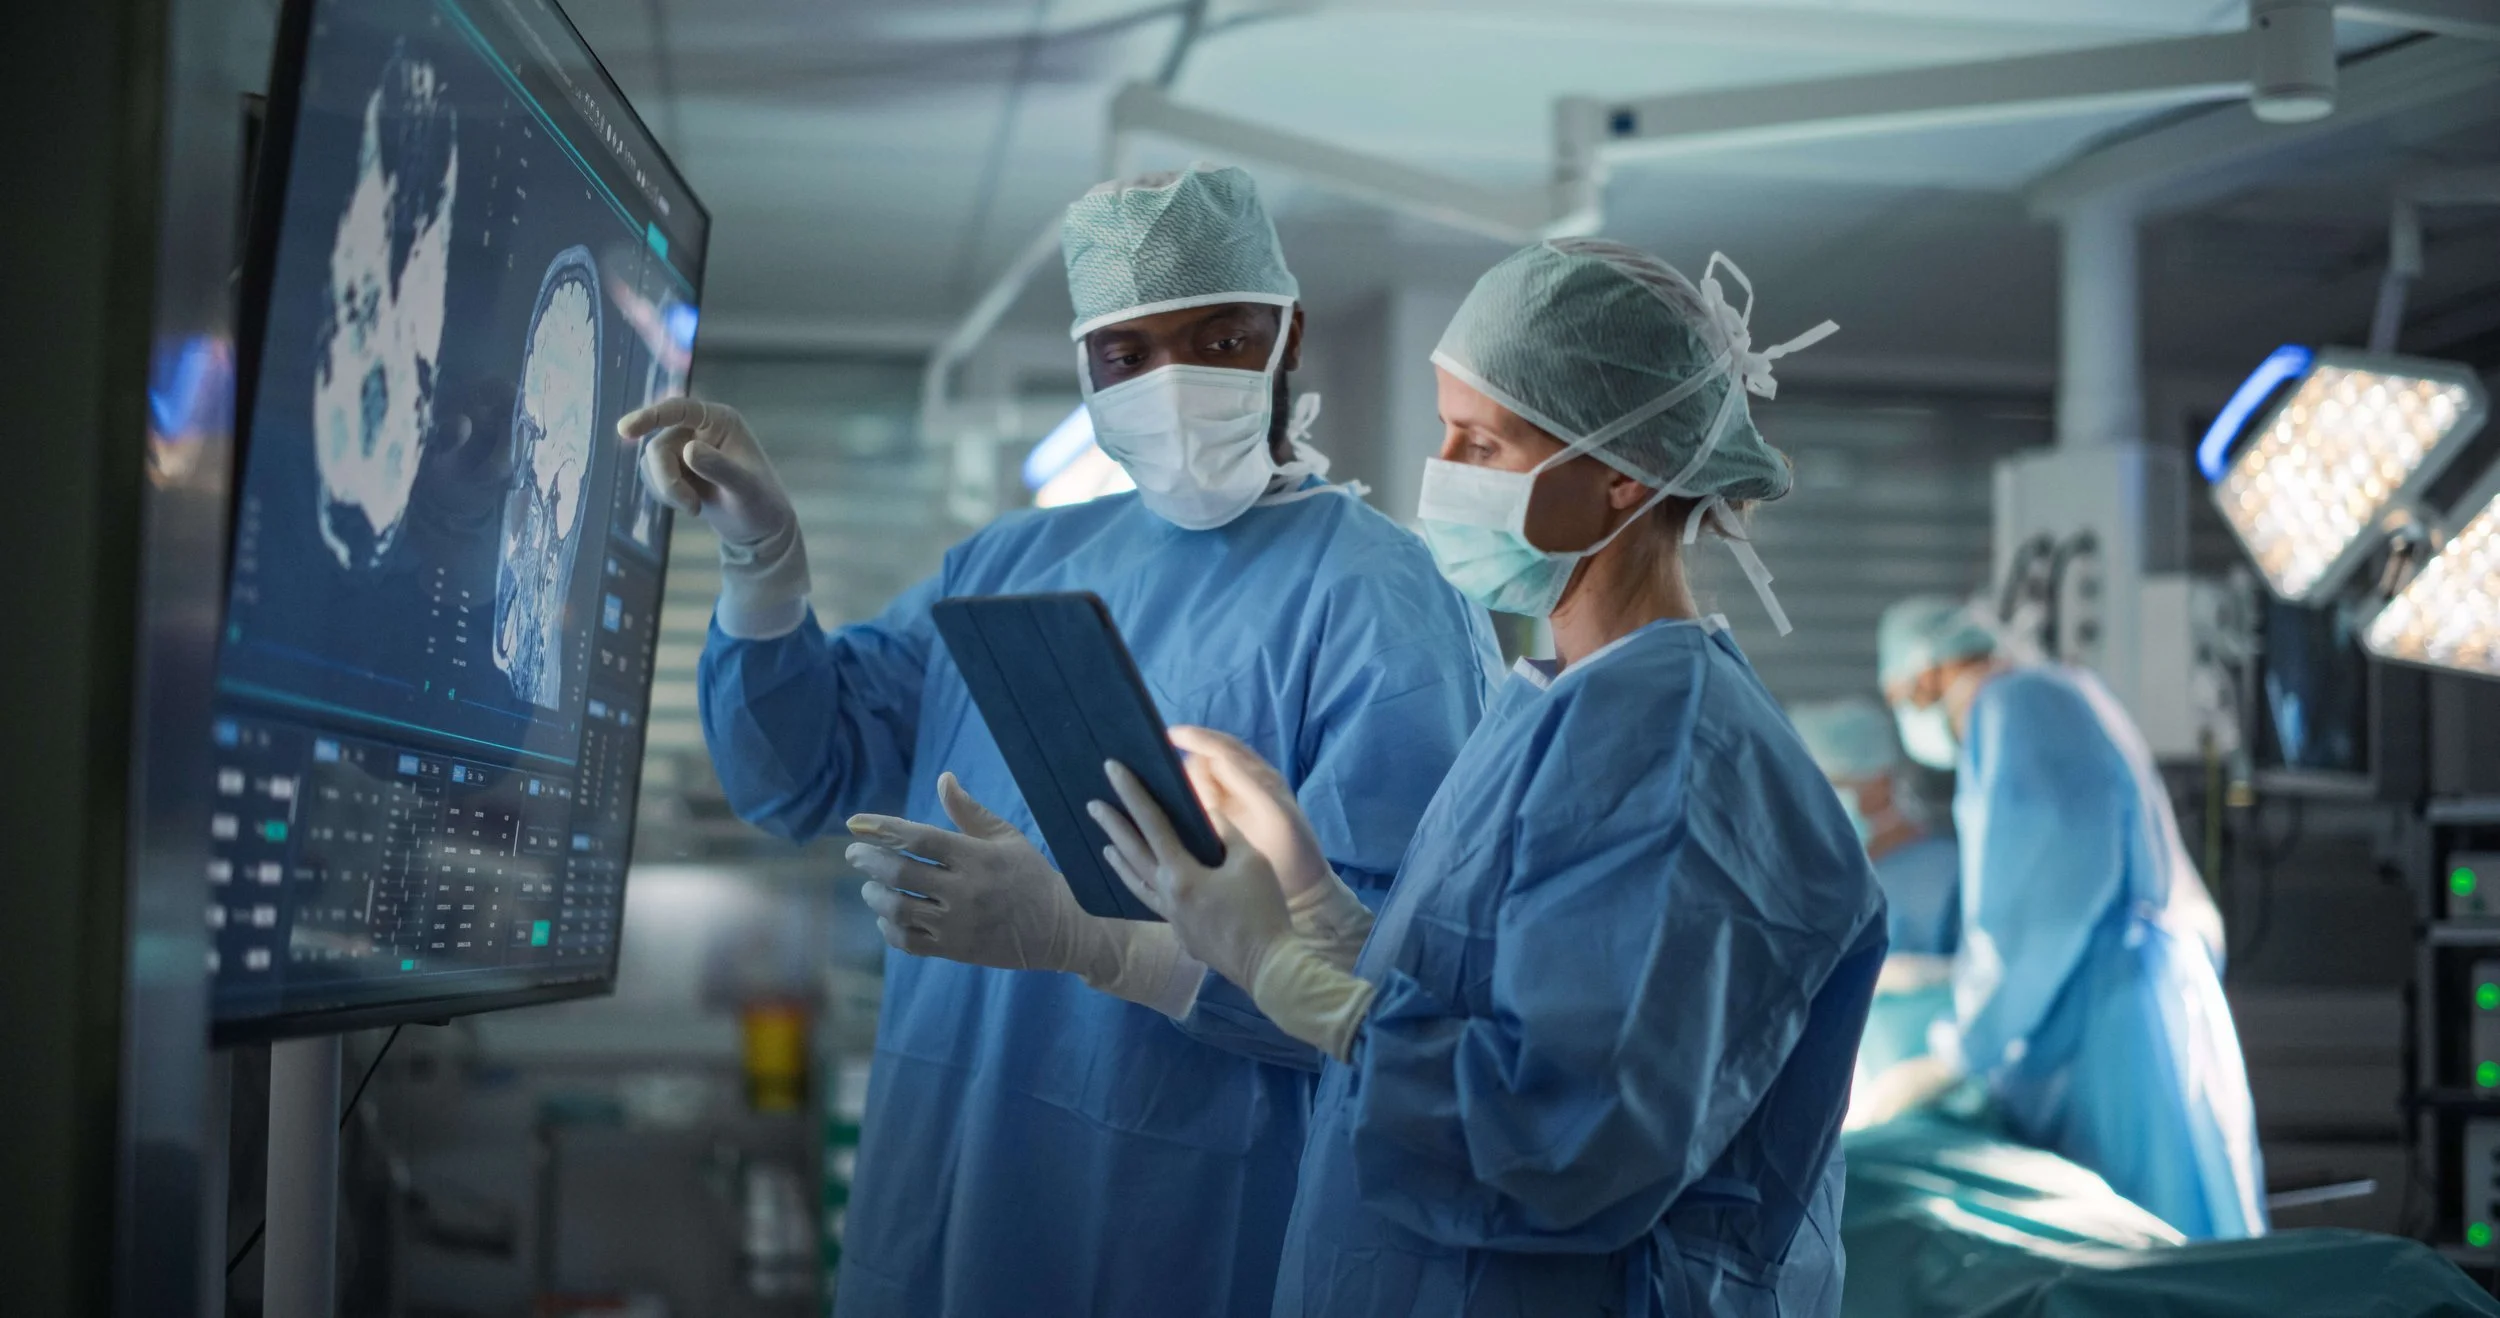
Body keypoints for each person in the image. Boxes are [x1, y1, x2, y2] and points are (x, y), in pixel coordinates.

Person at [623, 164, 1498, 1318]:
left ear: (1286, 338)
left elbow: (1390, 1008)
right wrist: (761, 567)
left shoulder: (1381, 598)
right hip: (939, 1189)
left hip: (1184, 1231)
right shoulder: (1011, 563)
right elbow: (801, 778)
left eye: (1219, 337)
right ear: (1087, 366)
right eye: (1127, 355)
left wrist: (1094, 941)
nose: (1174, 381)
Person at [1095, 237, 1889, 1316]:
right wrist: (1322, 909)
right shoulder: (1556, 706)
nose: (1444, 473)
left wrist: (1290, 972)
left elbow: (1564, 1140)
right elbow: (1474, 1000)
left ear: (1619, 476)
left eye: (1482, 441)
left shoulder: (1679, 756)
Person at [1876, 595, 2265, 1240]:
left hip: (2117, 1024)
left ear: (1925, 676)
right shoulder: (2057, 693)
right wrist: (1946, 975)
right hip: (2142, 998)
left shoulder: (2013, 707)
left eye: (1899, 698)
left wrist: (1954, 1053)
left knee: (2143, 1259)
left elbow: (2037, 912)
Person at [1790, 697, 1957, 958]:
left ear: (1880, 782)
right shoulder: (1814, 886)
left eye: (1829, 786)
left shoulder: (1950, 875)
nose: (1810, 808)